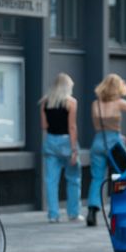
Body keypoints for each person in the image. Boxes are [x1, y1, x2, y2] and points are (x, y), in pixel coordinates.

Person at [87, 73, 126, 226]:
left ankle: (92, 211)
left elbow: (101, 126)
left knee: (97, 178)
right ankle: (117, 209)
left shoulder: (95, 104)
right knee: (123, 176)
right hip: (114, 144)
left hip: (98, 142)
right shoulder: (119, 103)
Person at [40, 73, 81, 223]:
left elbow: (44, 126)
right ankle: (73, 213)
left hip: (50, 141)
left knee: (51, 180)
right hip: (66, 141)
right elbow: (72, 126)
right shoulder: (71, 102)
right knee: (73, 179)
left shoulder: (45, 102)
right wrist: (74, 149)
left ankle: (53, 214)